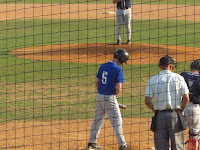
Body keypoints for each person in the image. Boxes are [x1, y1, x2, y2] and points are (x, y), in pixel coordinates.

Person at [86, 49, 130, 150]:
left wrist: (104, 95)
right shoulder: (118, 69)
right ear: (121, 60)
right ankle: (122, 146)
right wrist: (112, 99)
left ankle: (91, 144)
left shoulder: (103, 66)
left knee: (98, 120)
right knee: (117, 121)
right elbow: (118, 88)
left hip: (99, 96)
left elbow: (97, 83)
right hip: (110, 97)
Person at [145, 55, 190, 150]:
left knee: (161, 147)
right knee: (178, 146)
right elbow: (186, 98)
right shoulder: (179, 78)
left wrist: (155, 109)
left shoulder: (153, 80)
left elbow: (147, 101)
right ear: (170, 66)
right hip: (175, 115)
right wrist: (181, 111)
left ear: (160, 66)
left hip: (159, 117)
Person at [181, 59, 200, 144]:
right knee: (194, 134)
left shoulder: (182, 75)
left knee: (177, 132)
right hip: (194, 108)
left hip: (180, 107)